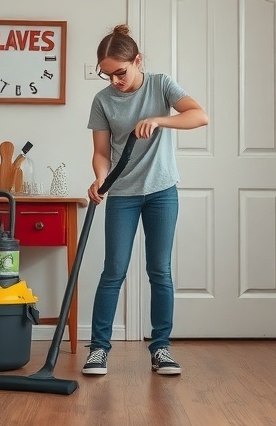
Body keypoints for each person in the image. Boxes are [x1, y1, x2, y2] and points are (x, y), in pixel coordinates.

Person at [83, 24, 209, 376]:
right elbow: (101, 152)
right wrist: (99, 178)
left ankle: (161, 349)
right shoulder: (103, 101)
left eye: (120, 72)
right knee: (113, 272)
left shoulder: (160, 84)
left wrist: (159, 120)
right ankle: (98, 350)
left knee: (160, 271)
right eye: (106, 75)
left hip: (161, 191)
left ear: (137, 61)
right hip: (121, 193)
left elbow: (200, 115)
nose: (115, 82)